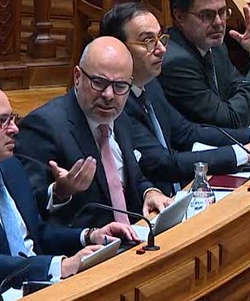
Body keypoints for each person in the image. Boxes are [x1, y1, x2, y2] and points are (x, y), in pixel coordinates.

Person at [0, 78, 138, 301]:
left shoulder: (11, 167)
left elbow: (37, 233)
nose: (14, 129)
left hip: (43, 290)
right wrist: (60, 265)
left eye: (12, 118)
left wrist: (89, 235)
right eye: (1, 121)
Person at [99, 2, 250, 196]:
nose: (161, 49)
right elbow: (162, 163)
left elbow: (187, 132)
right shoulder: (116, 102)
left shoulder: (150, 84)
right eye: (148, 41)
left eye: (160, 38)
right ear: (117, 49)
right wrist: (245, 152)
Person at [14, 36, 173, 228]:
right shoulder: (42, 126)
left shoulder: (119, 116)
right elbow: (26, 206)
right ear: (77, 77)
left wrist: (149, 192)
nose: (109, 95)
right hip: (87, 242)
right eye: (98, 82)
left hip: (135, 234)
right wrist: (59, 192)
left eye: (120, 86)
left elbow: (131, 175)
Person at [158, 0, 250, 129]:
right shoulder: (175, 62)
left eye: (222, 12)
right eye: (206, 15)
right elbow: (230, 123)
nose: (218, 22)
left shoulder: (215, 47)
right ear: (179, 16)